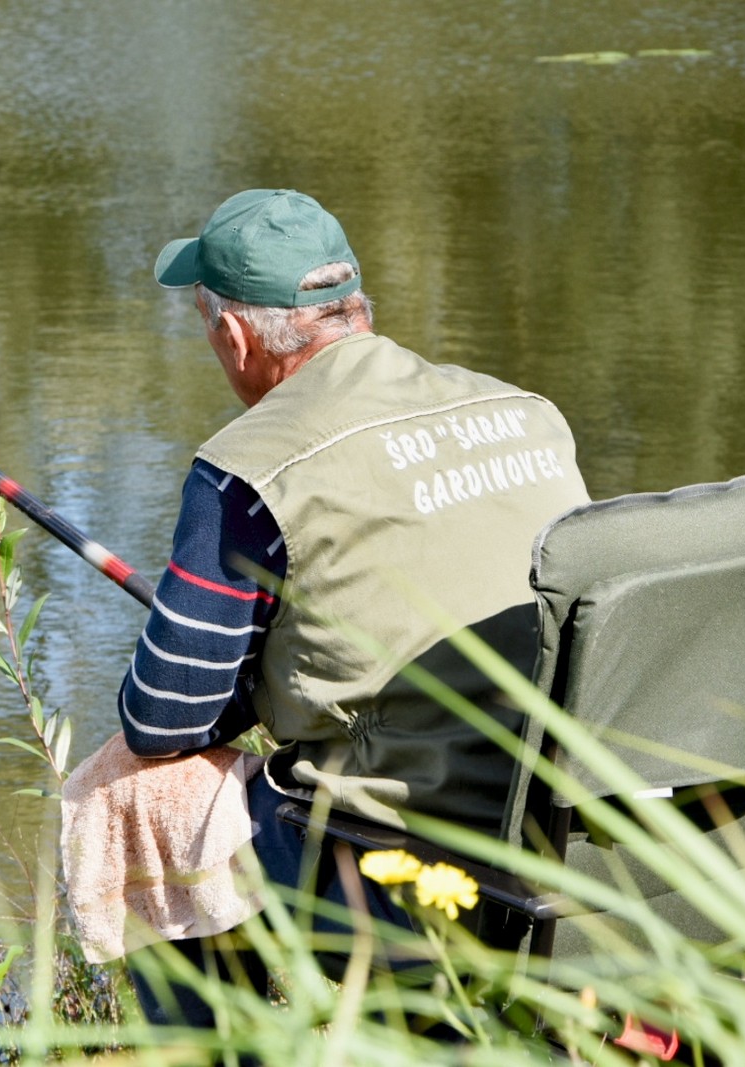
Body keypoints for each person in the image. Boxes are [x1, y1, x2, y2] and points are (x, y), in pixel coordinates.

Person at [113, 188, 590, 1029]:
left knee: (145, 819)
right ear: (354, 308)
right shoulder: (524, 411)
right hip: (585, 849)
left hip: (412, 871)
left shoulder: (245, 470)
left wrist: (250, 683)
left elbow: (163, 720)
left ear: (231, 334)